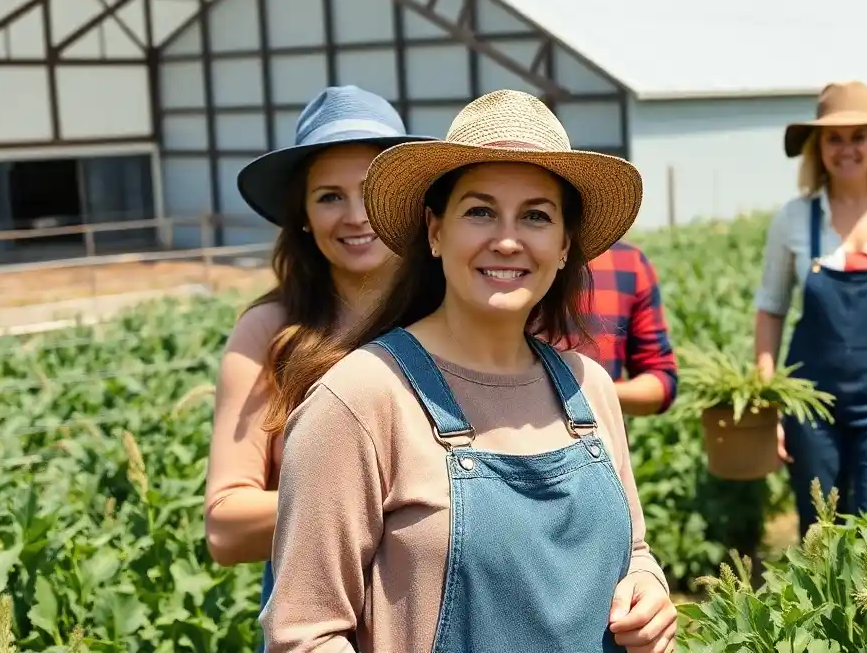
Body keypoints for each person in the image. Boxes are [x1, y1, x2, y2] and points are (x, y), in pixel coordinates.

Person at [260, 89, 676, 653]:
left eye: (535, 215)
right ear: (435, 231)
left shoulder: (588, 387)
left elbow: (633, 552)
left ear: (563, 246)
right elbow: (303, 635)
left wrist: (648, 591)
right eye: (480, 211)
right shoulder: (360, 399)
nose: (506, 239)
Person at [203, 86, 432, 622]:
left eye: (373, 190)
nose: (355, 215)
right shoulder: (271, 332)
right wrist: (390, 502)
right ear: (303, 216)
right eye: (329, 196)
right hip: (318, 617)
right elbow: (226, 527)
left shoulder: (458, 317)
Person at [752, 80, 867, 537]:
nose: (847, 149)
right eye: (834, 138)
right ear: (818, 147)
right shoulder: (795, 217)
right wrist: (769, 403)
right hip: (810, 408)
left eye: (858, 136)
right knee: (819, 533)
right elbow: (770, 308)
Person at [573, 241, 679, 416]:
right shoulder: (519, 268)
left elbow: (661, 380)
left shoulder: (628, 263)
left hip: (601, 437)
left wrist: (593, 393)